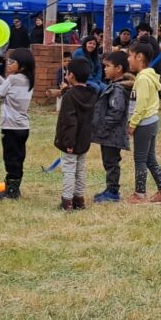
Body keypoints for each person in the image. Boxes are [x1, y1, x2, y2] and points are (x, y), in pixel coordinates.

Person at [126, 41, 161, 204]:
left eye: (130, 56)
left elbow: (141, 104)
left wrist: (133, 123)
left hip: (144, 123)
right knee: (150, 159)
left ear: (139, 57)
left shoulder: (143, 79)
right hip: (151, 121)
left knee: (140, 159)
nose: (128, 59)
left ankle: (140, 194)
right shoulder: (148, 76)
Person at [53, 57, 97, 211]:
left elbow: (70, 121)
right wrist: (67, 90)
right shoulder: (92, 94)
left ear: (71, 75)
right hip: (84, 139)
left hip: (70, 141)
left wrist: (69, 142)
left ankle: (67, 201)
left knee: (69, 170)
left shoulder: (70, 97)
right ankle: (79, 198)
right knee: (80, 170)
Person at [0, 48, 34, 201]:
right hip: (23, 127)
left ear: (22, 65)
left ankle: (11, 191)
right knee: (18, 157)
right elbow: (10, 89)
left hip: (10, 126)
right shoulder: (28, 80)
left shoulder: (12, 79)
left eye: (12, 61)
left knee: (10, 158)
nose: (8, 64)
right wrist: (0, 78)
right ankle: (14, 187)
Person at [92, 50, 133, 203]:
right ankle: (110, 188)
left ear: (119, 68)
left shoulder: (118, 89)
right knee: (108, 161)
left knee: (111, 162)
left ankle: (113, 191)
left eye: (108, 66)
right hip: (109, 133)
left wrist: (104, 127)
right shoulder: (113, 85)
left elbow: (116, 111)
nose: (105, 69)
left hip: (112, 134)